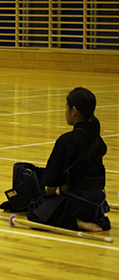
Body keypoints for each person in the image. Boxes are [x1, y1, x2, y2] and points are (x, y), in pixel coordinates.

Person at [27, 87, 110, 232]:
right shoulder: (98, 141)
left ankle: (76, 222)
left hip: (77, 204)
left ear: (74, 111)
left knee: (35, 208)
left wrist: (51, 196)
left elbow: (51, 185)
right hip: (98, 204)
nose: (65, 112)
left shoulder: (66, 141)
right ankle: (81, 219)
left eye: (66, 108)